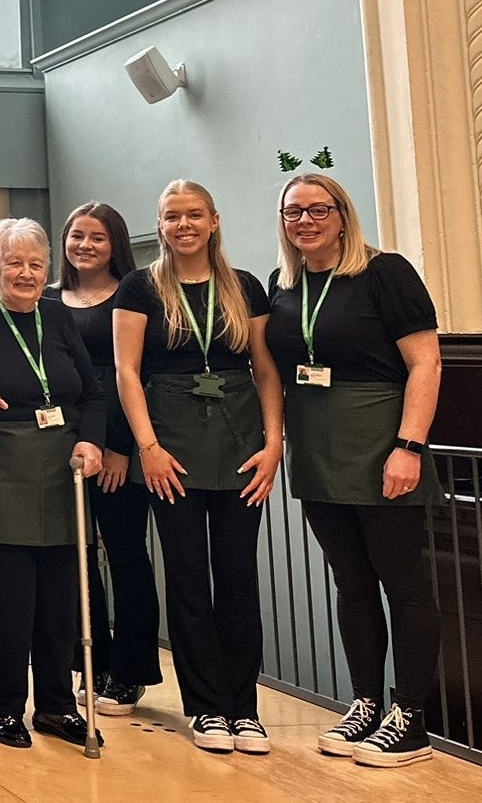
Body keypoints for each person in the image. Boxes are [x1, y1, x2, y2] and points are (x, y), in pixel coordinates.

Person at [266, 172, 443, 767]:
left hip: (381, 445)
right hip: (317, 449)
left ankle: (410, 718)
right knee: (351, 582)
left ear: (342, 215)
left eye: (319, 209)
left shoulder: (385, 272)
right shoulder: (284, 286)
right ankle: (366, 702)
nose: (306, 220)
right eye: (294, 211)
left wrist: (409, 446)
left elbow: (426, 364)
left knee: (403, 582)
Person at [114, 180, 284, 755]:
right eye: (171, 216)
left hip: (240, 443)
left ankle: (245, 709)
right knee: (187, 578)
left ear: (214, 221)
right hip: (170, 445)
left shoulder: (245, 286)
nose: (182, 225)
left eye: (193, 214)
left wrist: (274, 443)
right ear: (160, 225)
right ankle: (208, 707)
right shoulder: (140, 287)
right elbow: (127, 371)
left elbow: (265, 368)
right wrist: (148, 447)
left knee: (238, 577)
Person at [0, 218, 105, 750]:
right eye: (13, 263)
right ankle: (4, 705)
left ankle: (57, 705)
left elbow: (91, 393)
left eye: (36, 264)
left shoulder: (56, 315)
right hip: (1, 464)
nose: (26, 273)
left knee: (60, 599)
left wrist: (92, 441)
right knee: (9, 601)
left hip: (63, 465)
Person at [46, 202, 160, 717]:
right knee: (76, 557)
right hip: (62, 446)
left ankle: (130, 670)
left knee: (126, 554)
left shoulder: (131, 295)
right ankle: (90, 662)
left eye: (97, 237)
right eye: (76, 236)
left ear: (116, 243)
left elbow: (135, 376)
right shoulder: (49, 298)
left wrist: (121, 448)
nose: (85, 245)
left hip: (117, 447)